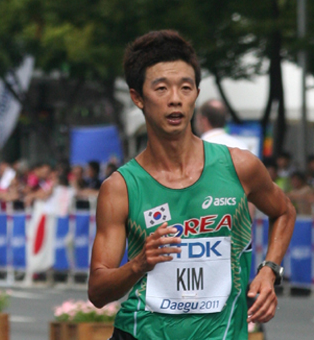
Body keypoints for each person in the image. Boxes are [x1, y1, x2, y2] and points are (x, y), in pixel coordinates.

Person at [88, 30, 296, 340]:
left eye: (185, 87)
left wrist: (269, 270)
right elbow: (98, 291)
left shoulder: (240, 167)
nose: (175, 99)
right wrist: (139, 264)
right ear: (138, 98)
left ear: (196, 93)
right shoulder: (121, 188)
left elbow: (285, 212)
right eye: (161, 88)